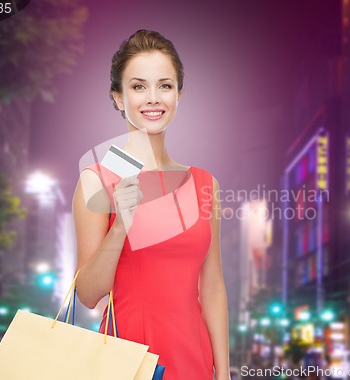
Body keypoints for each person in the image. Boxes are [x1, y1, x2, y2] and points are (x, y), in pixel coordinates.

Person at [72, 30, 231, 380]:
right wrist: (120, 226)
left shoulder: (206, 183)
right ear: (118, 97)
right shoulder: (97, 179)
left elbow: (214, 287)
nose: (153, 98)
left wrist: (224, 373)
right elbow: (87, 293)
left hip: (195, 360)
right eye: (138, 86)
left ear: (179, 95)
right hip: (128, 360)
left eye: (165, 85)